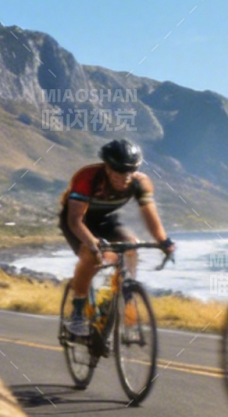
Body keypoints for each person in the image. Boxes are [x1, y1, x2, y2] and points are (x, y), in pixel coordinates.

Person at [59, 138, 174, 339]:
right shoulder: (87, 177)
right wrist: (91, 244)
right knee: (92, 256)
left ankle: (123, 294)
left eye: (129, 171)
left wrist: (164, 241)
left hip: (105, 219)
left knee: (132, 245)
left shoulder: (140, 182)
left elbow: (149, 213)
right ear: (107, 167)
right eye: (118, 171)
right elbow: (75, 220)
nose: (124, 177)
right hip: (78, 221)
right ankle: (77, 312)